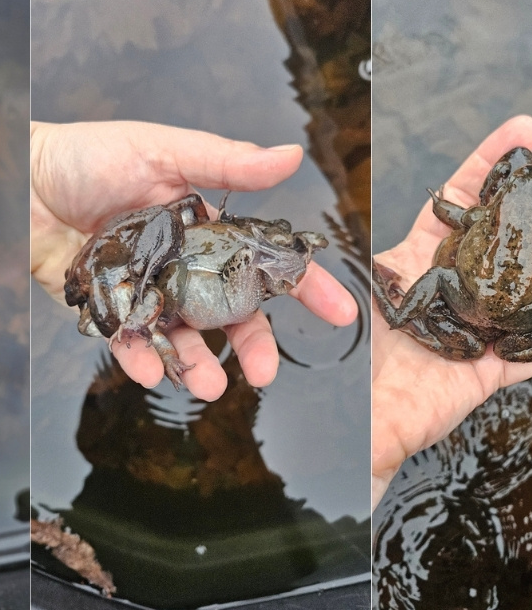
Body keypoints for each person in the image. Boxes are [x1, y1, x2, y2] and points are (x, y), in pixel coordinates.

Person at [370, 115, 532, 510]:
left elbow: (448, 213)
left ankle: (400, 317)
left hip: (461, 308)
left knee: (436, 276)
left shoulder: (480, 216)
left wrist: (437, 201)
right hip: (517, 329)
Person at [30, 120, 359, 402]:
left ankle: (281, 250)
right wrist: (164, 352)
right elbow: (153, 328)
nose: (91, 321)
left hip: (199, 258)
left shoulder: (143, 287)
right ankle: (275, 252)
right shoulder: (139, 298)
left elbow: (150, 317)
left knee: (263, 251)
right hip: (187, 270)